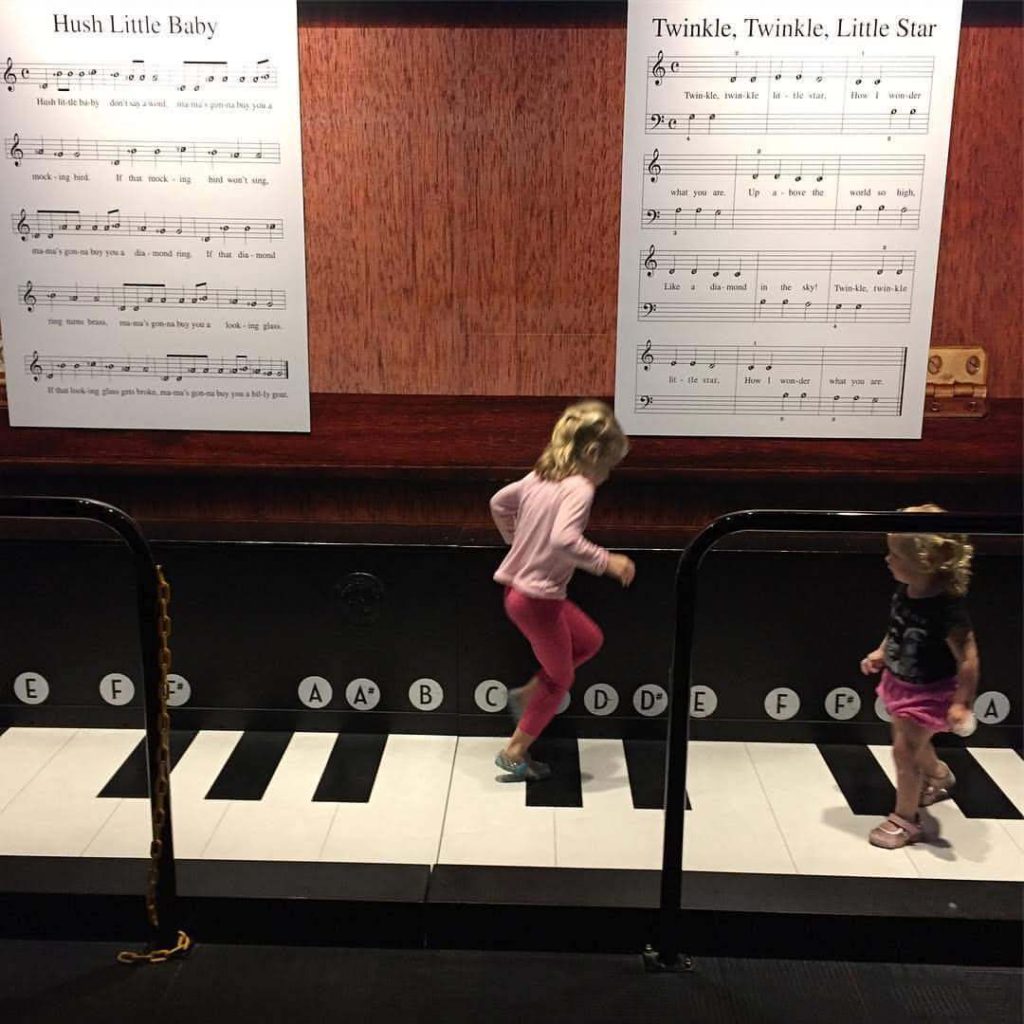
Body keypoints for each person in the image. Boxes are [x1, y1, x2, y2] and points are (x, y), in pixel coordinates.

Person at [489, 400, 635, 781]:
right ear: (592, 453)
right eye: (609, 466)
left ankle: (527, 693)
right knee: (561, 680)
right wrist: (608, 562)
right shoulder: (580, 487)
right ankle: (514, 752)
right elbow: (564, 539)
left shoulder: (540, 477)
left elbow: (498, 503)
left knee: (588, 641)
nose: (607, 476)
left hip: (522, 595)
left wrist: (516, 541)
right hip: (538, 601)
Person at [859, 504, 979, 848]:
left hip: (930, 692)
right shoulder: (906, 591)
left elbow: (968, 658)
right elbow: (898, 627)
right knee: (911, 743)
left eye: (895, 554)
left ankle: (905, 819)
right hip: (901, 683)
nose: (887, 559)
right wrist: (883, 652)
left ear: (925, 562)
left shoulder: (946, 608)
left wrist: (962, 703)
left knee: (904, 752)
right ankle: (939, 776)